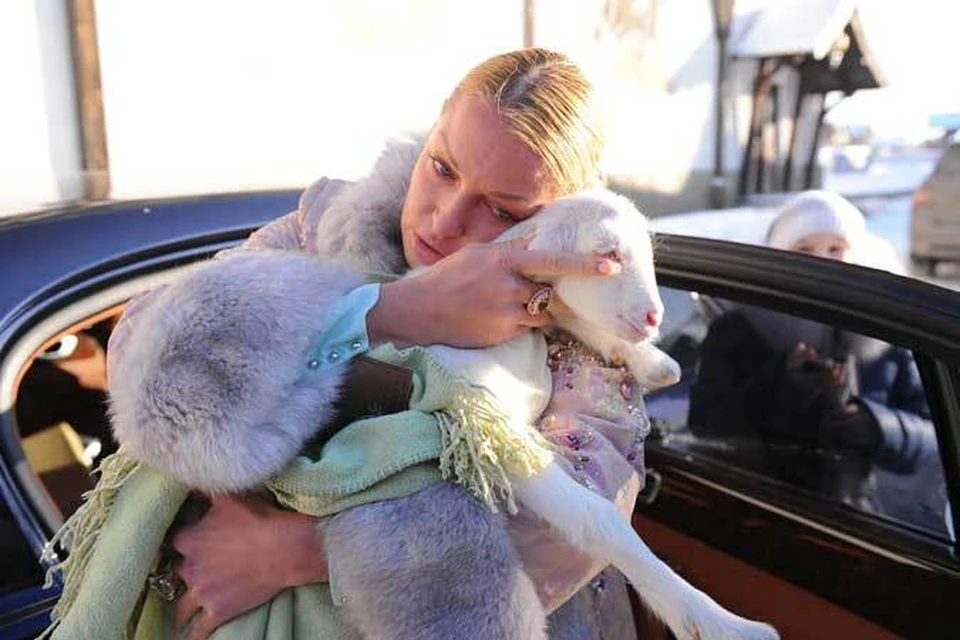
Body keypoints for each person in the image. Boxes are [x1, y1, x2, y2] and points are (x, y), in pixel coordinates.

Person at [96, 48, 650, 640]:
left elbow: (568, 533)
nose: (443, 222)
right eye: (442, 168)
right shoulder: (324, 228)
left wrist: (295, 550)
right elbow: (145, 357)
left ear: (560, 216)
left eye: (499, 208)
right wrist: (391, 312)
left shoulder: (585, 340)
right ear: (433, 129)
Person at [688, 190, 941, 516]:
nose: (822, 262)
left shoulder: (886, 330)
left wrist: (873, 424)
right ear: (778, 258)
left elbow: (932, 437)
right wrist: (787, 388)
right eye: (804, 249)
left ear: (859, 256)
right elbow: (709, 431)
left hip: (858, 518)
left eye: (836, 249)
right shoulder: (739, 330)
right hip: (759, 509)